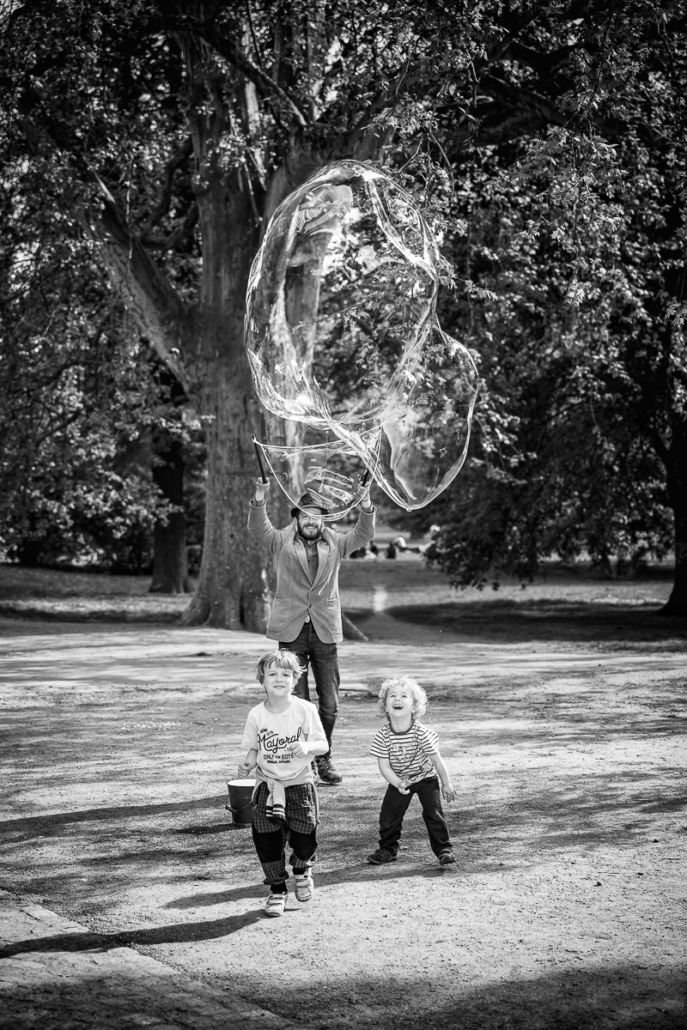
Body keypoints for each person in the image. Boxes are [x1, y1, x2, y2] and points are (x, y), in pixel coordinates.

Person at [248, 478, 375, 785]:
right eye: (304, 515)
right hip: (291, 630)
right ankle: (304, 764)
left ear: (323, 519)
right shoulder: (282, 540)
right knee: (298, 702)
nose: (309, 520)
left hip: (325, 630)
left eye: (315, 516)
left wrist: (366, 502)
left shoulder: (336, 543)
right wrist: (260, 495)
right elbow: (258, 528)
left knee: (329, 702)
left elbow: (365, 532)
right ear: (297, 518)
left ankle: (323, 755)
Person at [237, 649, 329, 917]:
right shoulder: (256, 714)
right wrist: (248, 763)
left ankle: (302, 870)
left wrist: (308, 746)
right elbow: (254, 749)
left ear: (295, 679)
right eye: (272, 674)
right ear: (262, 680)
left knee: (305, 838)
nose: (279, 678)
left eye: (285, 674)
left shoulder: (305, 709)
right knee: (266, 841)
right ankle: (277, 890)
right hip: (267, 787)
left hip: (300, 786)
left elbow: (322, 745)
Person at [366, 675, 457, 867]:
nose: (397, 699)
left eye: (403, 696)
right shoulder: (383, 735)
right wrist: (397, 783)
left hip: (426, 778)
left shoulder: (420, 733)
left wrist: (446, 783)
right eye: (392, 696)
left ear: (414, 706)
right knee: (388, 815)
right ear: (385, 705)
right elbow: (384, 766)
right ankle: (387, 849)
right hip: (400, 780)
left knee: (433, 813)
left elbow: (437, 760)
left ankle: (443, 850)